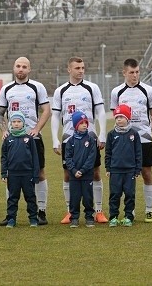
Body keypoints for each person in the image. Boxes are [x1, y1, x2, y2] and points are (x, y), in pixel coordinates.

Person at [51, 57, 108, 224]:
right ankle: (70, 211)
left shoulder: (92, 88)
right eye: (77, 68)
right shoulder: (60, 91)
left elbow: (100, 112)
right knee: (68, 174)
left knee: (95, 172)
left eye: (83, 67)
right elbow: (55, 116)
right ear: (69, 69)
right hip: (69, 139)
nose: (81, 70)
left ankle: (98, 210)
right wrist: (55, 139)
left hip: (90, 138)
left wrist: (102, 134)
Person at [0, 57, 51, 225]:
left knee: (40, 173)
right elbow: (0, 113)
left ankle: (41, 211)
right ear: (14, 68)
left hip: (33, 139)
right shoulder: (6, 89)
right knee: (11, 174)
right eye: (18, 66)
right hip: (13, 140)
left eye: (24, 67)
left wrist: (37, 130)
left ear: (29, 69)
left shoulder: (37, 87)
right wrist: (4, 130)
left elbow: (46, 110)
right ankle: (10, 214)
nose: (21, 69)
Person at [109, 58, 152, 222]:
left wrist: (147, 132)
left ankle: (149, 209)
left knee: (146, 173)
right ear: (124, 73)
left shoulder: (148, 91)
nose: (135, 75)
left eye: (137, 72)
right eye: (131, 72)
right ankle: (130, 211)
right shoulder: (117, 92)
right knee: (126, 175)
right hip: (124, 141)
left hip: (144, 140)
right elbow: (115, 114)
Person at [0, 112, 40, 228]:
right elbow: (4, 158)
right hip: (13, 174)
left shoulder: (29, 139)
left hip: (27, 174)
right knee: (12, 197)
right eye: (14, 122)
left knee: (30, 197)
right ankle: (11, 219)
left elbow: (35, 157)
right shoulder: (8, 139)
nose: (16, 124)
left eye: (19, 122)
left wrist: (35, 174)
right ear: (11, 124)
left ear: (23, 123)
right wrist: (4, 172)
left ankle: (33, 218)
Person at [104, 104, 142, 227]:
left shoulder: (134, 134)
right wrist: (108, 168)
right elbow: (108, 152)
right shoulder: (111, 134)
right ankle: (113, 217)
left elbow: (138, 152)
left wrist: (137, 169)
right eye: (117, 117)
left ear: (128, 118)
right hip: (115, 170)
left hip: (130, 170)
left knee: (130, 194)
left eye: (122, 117)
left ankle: (128, 216)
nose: (119, 119)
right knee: (115, 194)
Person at [65, 111, 98, 228]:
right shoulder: (70, 141)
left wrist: (83, 170)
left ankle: (89, 217)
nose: (84, 125)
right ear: (75, 125)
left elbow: (91, 158)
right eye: (81, 123)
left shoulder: (91, 140)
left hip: (87, 174)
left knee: (88, 197)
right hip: (74, 176)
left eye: (86, 123)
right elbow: (67, 158)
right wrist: (74, 171)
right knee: (74, 197)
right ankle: (74, 218)